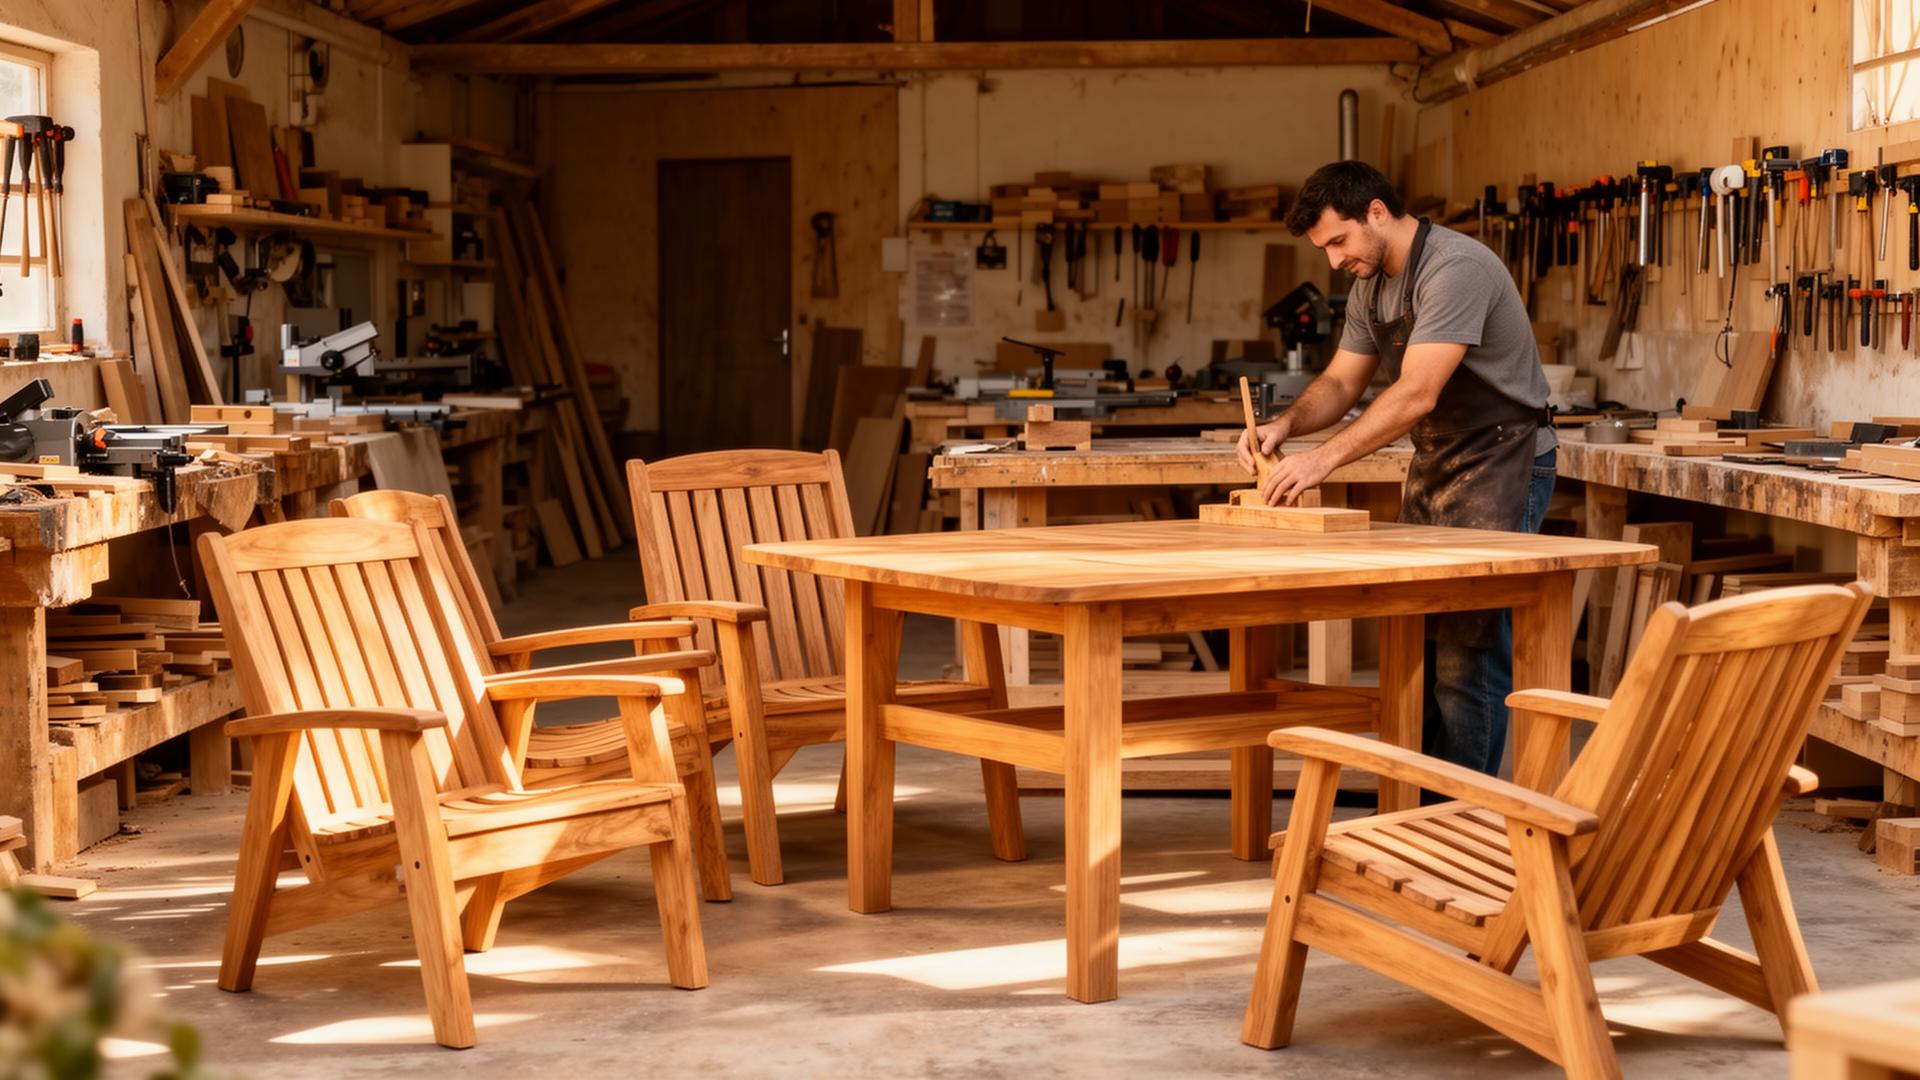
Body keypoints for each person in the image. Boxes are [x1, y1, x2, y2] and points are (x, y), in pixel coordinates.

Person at [1236, 160, 1557, 779]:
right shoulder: (1369, 286)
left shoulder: (1455, 268)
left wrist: (1322, 460)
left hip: (1503, 459)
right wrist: (1286, 428)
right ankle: (1419, 800)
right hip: (1440, 463)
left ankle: (1462, 813)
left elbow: (1417, 394)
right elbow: (1338, 382)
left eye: (1338, 241)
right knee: (1419, 640)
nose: (1333, 261)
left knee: (1468, 650)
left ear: (1376, 213)